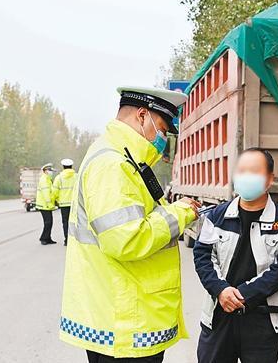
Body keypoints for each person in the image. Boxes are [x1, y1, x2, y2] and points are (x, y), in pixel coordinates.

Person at [59, 86, 202, 363]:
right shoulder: (114, 165)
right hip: (124, 323)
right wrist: (181, 213)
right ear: (141, 115)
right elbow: (126, 239)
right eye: (162, 128)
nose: (163, 139)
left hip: (122, 314)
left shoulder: (123, 158)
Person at [194, 147, 278, 363]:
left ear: (269, 179)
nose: (246, 177)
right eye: (241, 171)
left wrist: (243, 295)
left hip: (263, 320)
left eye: (254, 171)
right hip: (220, 315)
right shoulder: (217, 216)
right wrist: (221, 290)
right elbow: (202, 256)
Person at [53, 158, 76, 245]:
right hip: (74, 204)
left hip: (63, 204)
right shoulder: (76, 177)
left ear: (63, 167)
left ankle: (67, 240)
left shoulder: (59, 178)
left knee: (65, 222)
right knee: (74, 222)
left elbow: (55, 191)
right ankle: (74, 239)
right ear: (71, 166)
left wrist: (55, 200)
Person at [36, 163, 57, 245]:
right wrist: (50, 204)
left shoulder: (48, 179)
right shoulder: (44, 180)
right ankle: (43, 238)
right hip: (44, 205)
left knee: (49, 222)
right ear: (45, 171)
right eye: (50, 171)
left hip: (46, 205)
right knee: (48, 222)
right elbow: (46, 194)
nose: (51, 172)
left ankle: (48, 238)